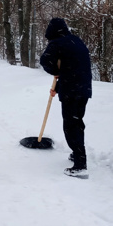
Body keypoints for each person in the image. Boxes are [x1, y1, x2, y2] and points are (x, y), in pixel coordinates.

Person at [39, 17, 92, 179]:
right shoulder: (76, 41)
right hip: (83, 89)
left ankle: (80, 164)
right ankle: (77, 154)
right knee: (77, 121)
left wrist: (55, 71)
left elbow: (45, 61)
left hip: (71, 90)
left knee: (70, 125)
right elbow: (74, 67)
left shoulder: (56, 44)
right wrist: (58, 86)